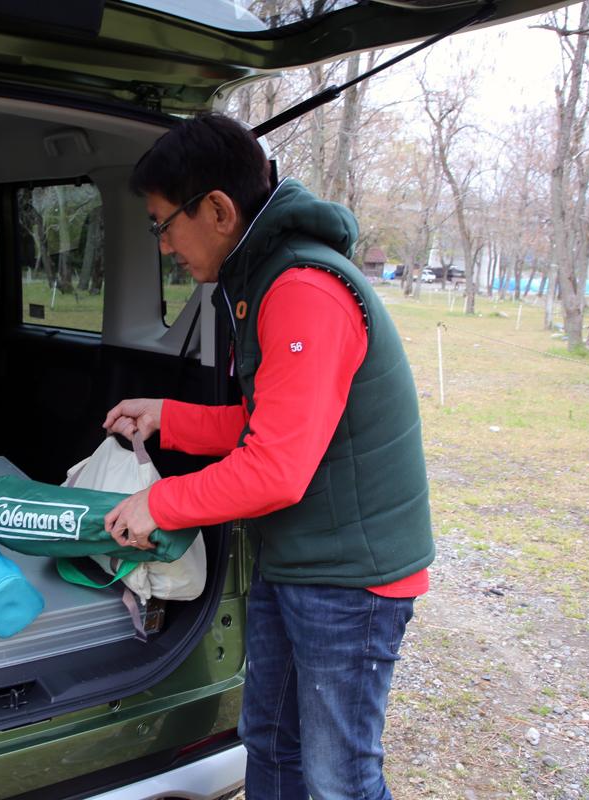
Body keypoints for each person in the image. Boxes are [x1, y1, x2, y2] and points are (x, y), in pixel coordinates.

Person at [103, 114, 434, 800]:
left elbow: (277, 469)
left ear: (218, 210)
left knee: (338, 775)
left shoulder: (304, 290)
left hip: (352, 581)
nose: (163, 245)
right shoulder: (265, 279)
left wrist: (158, 501)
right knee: (272, 746)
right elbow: (269, 424)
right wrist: (169, 418)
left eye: (163, 223)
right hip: (302, 563)